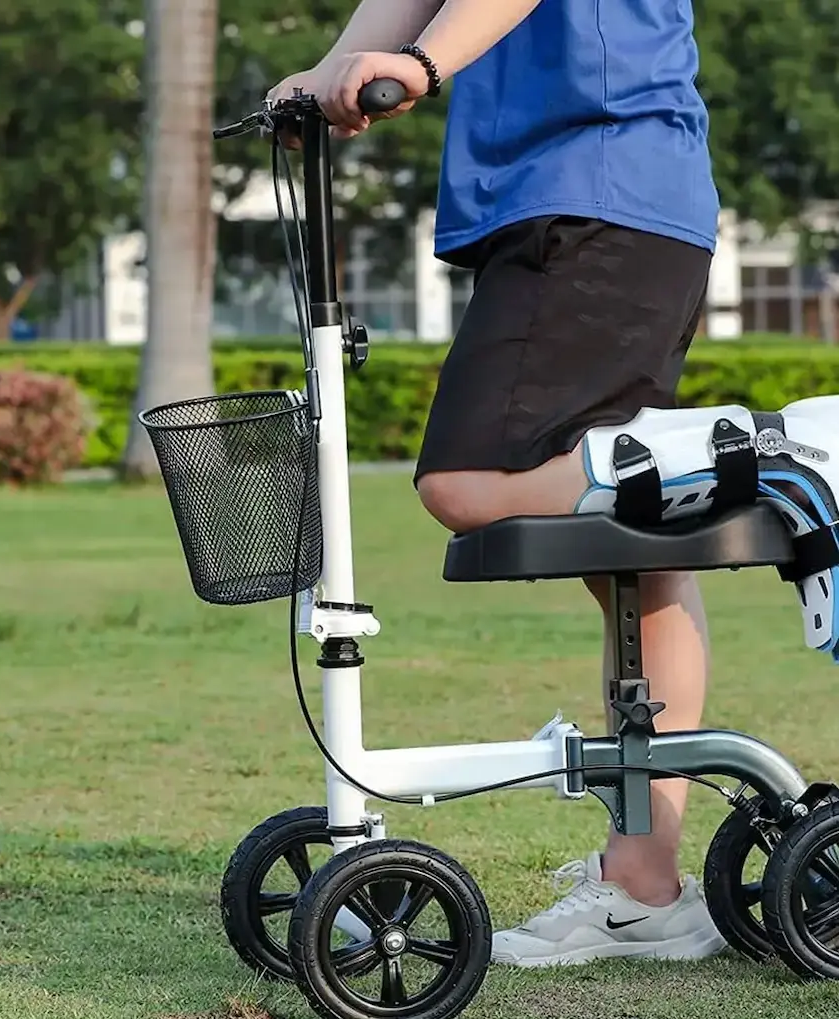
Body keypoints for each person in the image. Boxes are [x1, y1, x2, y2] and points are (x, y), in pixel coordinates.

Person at [268, 0, 727, 967]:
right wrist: (336, 67)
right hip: (586, 197)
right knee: (624, 554)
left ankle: (750, 460)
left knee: (470, 481)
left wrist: (424, 65)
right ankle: (647, 891)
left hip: (601, 185)